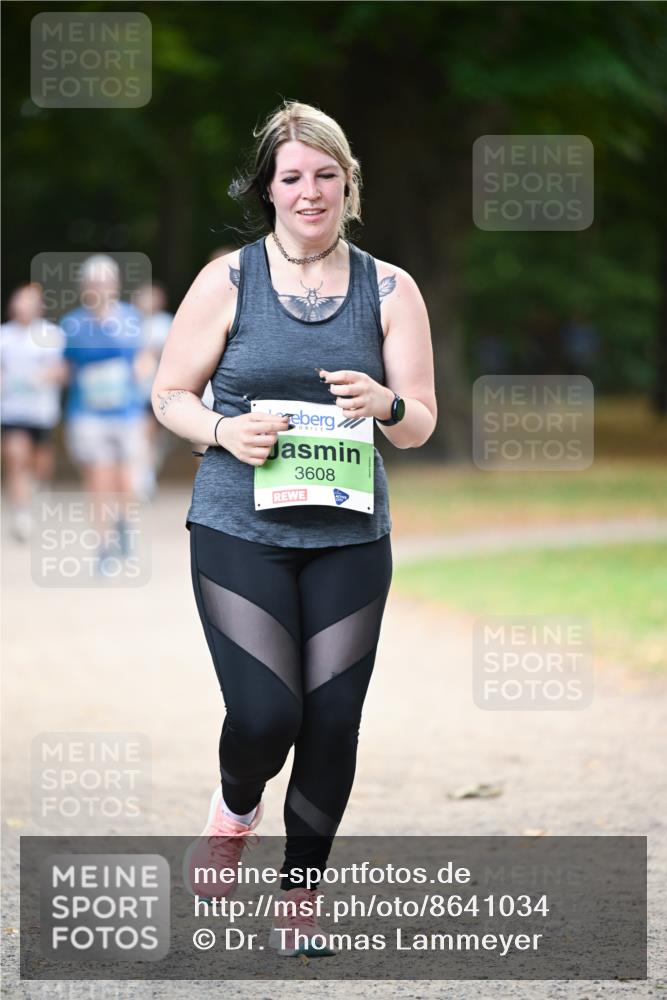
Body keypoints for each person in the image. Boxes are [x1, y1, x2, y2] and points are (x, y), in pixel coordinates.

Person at [152, 100, 437, 957]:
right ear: (268, 189)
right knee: (265, 714)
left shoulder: (390, 288)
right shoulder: (227, 281)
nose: (309, 191)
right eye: (291, 177)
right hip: (239, 526)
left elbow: (419, 421)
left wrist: (386, 403)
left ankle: (299, 899)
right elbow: (169, 395)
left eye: (325, 175)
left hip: (349, 537)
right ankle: (235, 809)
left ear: (348, 185)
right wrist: (221, 430)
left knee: (333, 720)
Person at [61, 255, 151, 571]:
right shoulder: (72, 323)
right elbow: (64, 366)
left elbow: (144, 357)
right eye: (94, 282)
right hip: (87, 413)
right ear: (84, 287)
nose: (100, 287)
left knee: (126, 481)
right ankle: (103, 547)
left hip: (126, 412)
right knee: (99, 480)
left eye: (105, 282)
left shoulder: (131, 318)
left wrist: (143, 370)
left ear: (115, 285)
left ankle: (124, 522)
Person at [1, 283, 67, 541]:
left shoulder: (52, 335)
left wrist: (42, 377)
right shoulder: (4, 336)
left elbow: (62, 370)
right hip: (12, 412)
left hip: (41, 413)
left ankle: (37, 488)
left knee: (39, 464)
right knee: (15, 457)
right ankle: (21, 513)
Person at [132, 283, 174, 495]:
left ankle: (148, 473)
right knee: (143, 434)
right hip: (137, 391)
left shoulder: (165, 323)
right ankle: (144, 479)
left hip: (160, 388)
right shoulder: (130, 323)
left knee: (155, 439)